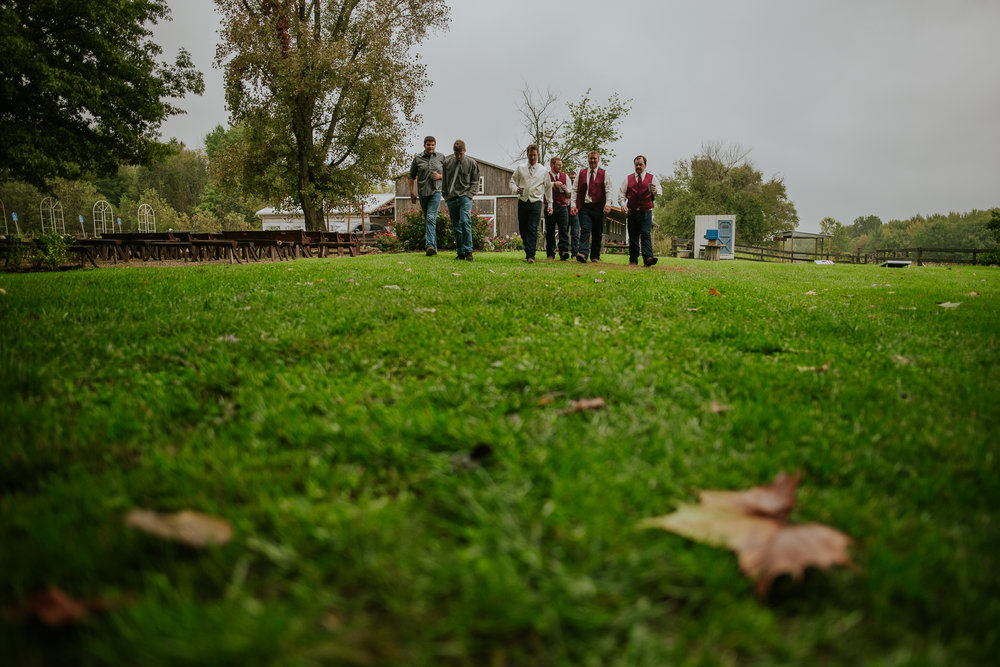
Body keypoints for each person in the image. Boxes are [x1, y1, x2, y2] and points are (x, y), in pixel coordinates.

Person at [509, 144, 553, 263]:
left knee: (533, 228)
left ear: (537, 155)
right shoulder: (520, 168)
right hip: (523, 201)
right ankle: (528, 250)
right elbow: (512, 182)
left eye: (534, 155)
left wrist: (550, 204)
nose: (532, 157)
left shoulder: (543, 171)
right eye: (530, 155)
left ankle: (531, 256)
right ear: (527, 155)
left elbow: (548, 188)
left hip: (536, 202)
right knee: (523, 228)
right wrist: (515, 189)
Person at [442, 139, 480, 261]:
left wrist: (469, 195)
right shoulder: (447, 164)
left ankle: (469, 251)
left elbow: (475, 181)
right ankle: (460, 252)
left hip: (465, 197)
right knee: (456, 226)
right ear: (453, 152)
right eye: (456, 154)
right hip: (452, 198)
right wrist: (446, 196)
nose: (459, 156)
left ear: (464, 151)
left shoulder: (471, 163)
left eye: (461, 154)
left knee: (465, 222)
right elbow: (444, 182)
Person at [618, 155, 659, 267]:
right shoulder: (628, 179)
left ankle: (648, 259)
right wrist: (623, 204)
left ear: (645, 165)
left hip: (646, 212)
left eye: (640, 164)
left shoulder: (652, 178)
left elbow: (660, 191)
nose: (638, 166)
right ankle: (633, 260)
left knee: (646, 234)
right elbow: (621, 194)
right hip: (632, 212)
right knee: (633, 237)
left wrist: (656, 190)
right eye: (636, 164)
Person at [573, 150, 612, 263]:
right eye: (591, 158)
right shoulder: (581, 173)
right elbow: (575, 189)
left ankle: (595, 256)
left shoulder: (604, 174)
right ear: (588, 159)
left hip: (599, 207)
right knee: (585, 229)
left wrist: (608, 204)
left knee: (597, 232)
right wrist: (573, 204)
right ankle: (583, 253)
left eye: (595, 158)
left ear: (598, 159)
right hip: (585, 206)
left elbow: (609, 190)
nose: (593, 160)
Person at [408, 136, 444, 256]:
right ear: (424, 145)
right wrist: (412, 192)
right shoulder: (418, 159)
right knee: (429, 219)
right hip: (423, 193)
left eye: (433, 145)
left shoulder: (441, 157)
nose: (430, 147)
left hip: (436, 192)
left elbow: (449, 173)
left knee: (430, 217)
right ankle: (433, 248)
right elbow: (411, 176)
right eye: (428, 145)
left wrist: (440, 176)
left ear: (435, 145)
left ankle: (429, 245)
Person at [543, 156, 574, 260]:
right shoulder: (546, 176)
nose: (561, 167)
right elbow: (543, 187)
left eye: (561, 165)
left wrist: (566, 190)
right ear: (552, 164)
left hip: (562, 207)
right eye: (558, 165)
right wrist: (553, 184)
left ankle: (563, 251)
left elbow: (571, 192)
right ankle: (550, 254)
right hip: (549, 207)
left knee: (564, 230)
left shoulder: (565, 177)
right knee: (550, 231)